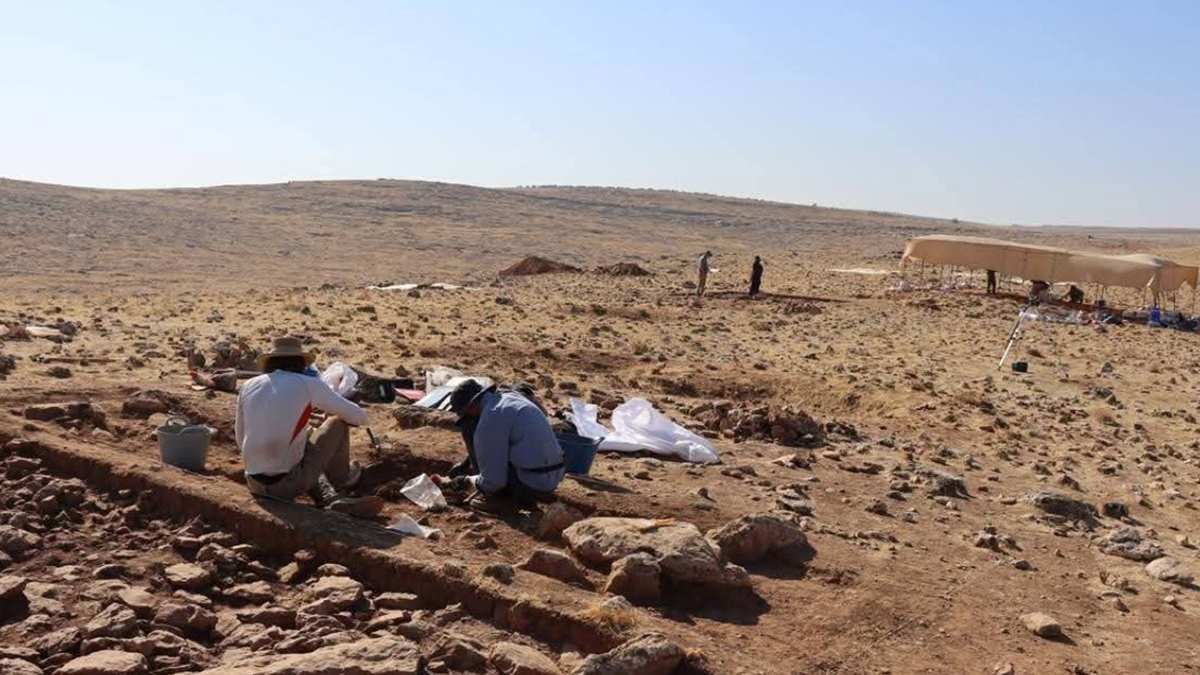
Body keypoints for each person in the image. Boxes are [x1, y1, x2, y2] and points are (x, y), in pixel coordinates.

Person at [235, 336, 382, 516]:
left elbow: (240, 438)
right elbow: (360, 417)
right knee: (337, 423)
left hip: (254, 483)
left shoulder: (248, 385)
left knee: (302, 438)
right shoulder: (308, 384)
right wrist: (336, 412)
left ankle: (328, 497)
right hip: (286, 485)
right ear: (301, 363)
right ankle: (340, 486)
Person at [444, 379, 565, 506]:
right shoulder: (510, 397)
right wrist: (466, 463)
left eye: (465, 414)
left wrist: (467, 481)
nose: (468, 417)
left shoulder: (489, 419)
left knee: (469, 427)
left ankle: (501, 498)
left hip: (533, 483)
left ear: (470, 406)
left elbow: (493, 482)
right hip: (553, 476)